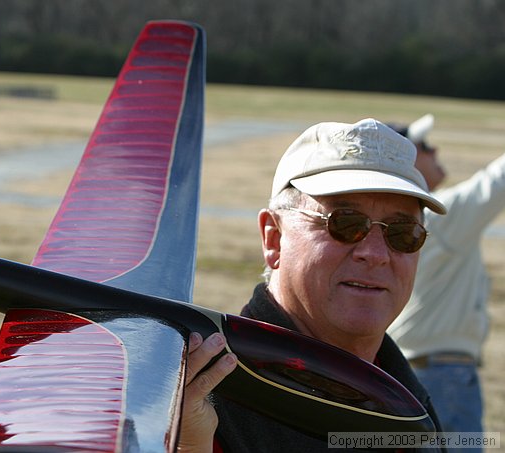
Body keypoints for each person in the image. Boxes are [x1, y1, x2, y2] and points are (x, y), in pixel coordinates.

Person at [177, 118, 447, 452]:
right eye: (346, 223)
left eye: (403, 233)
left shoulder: (403, 395)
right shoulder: (201, 397)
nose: (376, 254)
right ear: (273, 238)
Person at [387, 114, 505, 441]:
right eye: (424, 146)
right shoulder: (446, 215)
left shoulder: (399, 219)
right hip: (444, 374)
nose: (435, 150)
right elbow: (497, 181)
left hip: (406, 372)